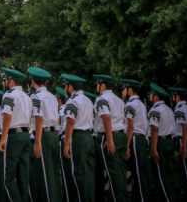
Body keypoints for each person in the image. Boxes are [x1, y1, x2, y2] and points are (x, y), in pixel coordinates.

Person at [27, 66, 63, 202]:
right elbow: (57, 118)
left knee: (45, 175)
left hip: (42, 136)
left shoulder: (36, 97)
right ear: (45, 82)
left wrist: (37, 142)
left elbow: (39, 118)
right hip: (53, 135)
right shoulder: (53, 97)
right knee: (53, 174)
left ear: (32, 81)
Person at [0, 67, 33, 202]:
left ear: (11, 82)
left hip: (13, 136)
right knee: (23, 175)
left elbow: (7, 115)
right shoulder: (27, 97)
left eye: (7, 80)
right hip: (25, 135)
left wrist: (3, 137)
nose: (6, 83)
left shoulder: (9, 95)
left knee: (9, 177)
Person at [93, 74, 128, 202]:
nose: (97, 86)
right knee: (120, 171)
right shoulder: (119, 99)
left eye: (98, 84)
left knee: (112, 172)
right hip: (120, 135)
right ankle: (124, 197)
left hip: (109, 136)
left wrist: (110, 139)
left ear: (102, 85)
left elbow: (106, 117)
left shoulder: (102, 98)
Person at [61, 73, 95, 202]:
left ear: (70, 87)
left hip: (78, 137)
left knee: (78, 173)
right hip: (88, 137)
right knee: (89, 174)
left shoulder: (73, 101)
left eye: (66, 85)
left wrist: (66, 144)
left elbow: (70, 122)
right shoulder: (87, 100)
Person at [122, 78, 152, 202]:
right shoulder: (141, 104)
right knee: (141, 174)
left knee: (138, 174)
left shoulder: (130, 104)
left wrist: (127, 146)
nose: (123, 91)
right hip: (141, 139)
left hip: (134, 139)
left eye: (124, 89)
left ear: (130, 90)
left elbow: (130, 126)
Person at [148, 83, 179, 201]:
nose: (150, 96)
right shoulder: (169, 110)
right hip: (170, 142)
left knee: (161, 176)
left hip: (160, 143)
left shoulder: (154, 110)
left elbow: (155, 129)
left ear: (156, 96)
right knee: (170, 175)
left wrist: (153, 149)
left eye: (151, 94)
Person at [170, 87, 187, 201]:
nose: (172, 98)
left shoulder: (179, 109)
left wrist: (184, 146)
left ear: (177, 97)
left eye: (173, 96)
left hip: (185, 140)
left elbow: (185, 127)